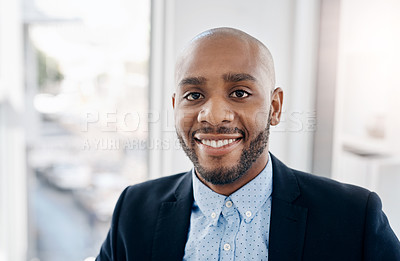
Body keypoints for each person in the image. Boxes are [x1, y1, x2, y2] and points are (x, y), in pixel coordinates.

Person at [96, 27, 400, 261]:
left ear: (275, 107)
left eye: (240, 93)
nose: (213, 115)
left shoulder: (354, 218)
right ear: (175, 107)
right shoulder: (134, 210)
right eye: (194, 95)